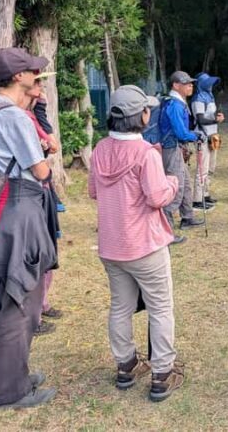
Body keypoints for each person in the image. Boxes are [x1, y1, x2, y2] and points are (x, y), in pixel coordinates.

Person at [89, 85, 185, 402]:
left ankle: (126, 365)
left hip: (111, 244)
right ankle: (162, 373)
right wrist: (172, 181)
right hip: (144, 245)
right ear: (141, 116)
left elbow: (93, 191)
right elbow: (157, 197)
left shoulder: (100, 149)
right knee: (160, 307)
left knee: (121, 305)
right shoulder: (145, 153)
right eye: (148, 109)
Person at [0, 47, 58, 408]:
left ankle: (2, 379)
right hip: (18, 208)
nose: (36, 76)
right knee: (20, 299)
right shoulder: (16, 117)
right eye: (32, 71)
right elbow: (38, 170)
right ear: (18, 77)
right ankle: (11, 393)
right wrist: (45, 158)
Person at [21, 74, 64, 335]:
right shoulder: (20, 118)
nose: (42, 88)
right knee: (36, 255)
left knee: (47, 251)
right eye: (37, 84)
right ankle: (31, 314)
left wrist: (41, 108)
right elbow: (49, 147)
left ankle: (41, 304)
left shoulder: (32, 115)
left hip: (42, 192)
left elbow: (51, 143)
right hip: (30, 193)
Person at [158, 70, 204, 240]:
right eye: (186, 83)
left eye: (191, 83)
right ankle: (166, 232)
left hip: (175, 148)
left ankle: (187, 217)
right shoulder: (175, 105)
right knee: (175, 187)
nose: (190, 86)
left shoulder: (175, 102)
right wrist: (196, 135)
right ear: (176, 85)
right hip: (171, 148)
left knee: (185, 183)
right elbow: (181, 133)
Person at [191, 72, 224, 209]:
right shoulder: (198, 98)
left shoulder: (210, 97)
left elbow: (208, 116)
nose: (210, 86)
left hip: (212, 136)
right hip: (202, 136)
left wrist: (218, 116)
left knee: (210, 167)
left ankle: (205, 194)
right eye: (208, 83)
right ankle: (197, 199)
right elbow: (200, 119)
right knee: (202, 168)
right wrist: (215, 119)